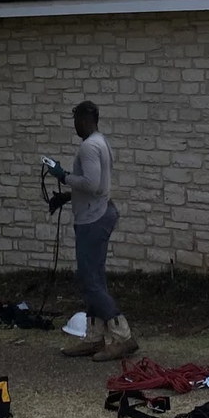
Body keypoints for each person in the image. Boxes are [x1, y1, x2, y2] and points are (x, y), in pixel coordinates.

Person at [52, 100, 137, 360]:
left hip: (92, 219)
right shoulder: (101, 142)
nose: (74, 125)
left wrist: (62, 175)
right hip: (98, 212)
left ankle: (122, 336)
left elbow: (92, 184)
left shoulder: (89, 146)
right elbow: (98, 187)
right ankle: (95, 335)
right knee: (93, 279)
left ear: (87, 118)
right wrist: (66, 197)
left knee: (90, 281)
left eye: (76, 119)